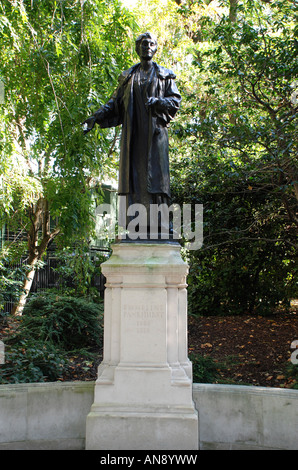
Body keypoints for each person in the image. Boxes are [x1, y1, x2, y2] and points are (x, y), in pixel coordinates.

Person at [83, 32, 181, 239]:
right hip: (133, 138)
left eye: (151, 44)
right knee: (134, 180)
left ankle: (162, 225)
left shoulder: (165, 75)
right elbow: (114, 104)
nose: (147, 47)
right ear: (137, 48)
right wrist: (95, 117)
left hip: (155, 137)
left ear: (155, 48)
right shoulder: (127, 77)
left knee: (157, 181)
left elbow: (174, 102)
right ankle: (136, 226)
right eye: (143, 44)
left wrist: (159, 102)